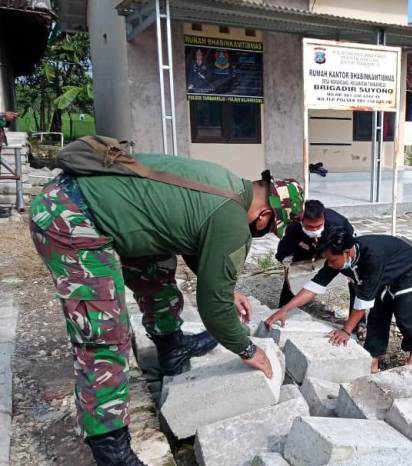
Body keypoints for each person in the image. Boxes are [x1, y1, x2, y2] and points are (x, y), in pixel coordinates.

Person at [29, 138, 303, 465]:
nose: (263, 231)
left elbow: (189, 235)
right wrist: (249, 350)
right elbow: (213, 310)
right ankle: (110, 449)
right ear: (265, 215)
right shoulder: (233, 223)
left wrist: (225, 288)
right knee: (104, 335)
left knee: (156, 265)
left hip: (81, 197)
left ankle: (171, 347)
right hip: (71, 217)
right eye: (270, 228)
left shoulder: (225, 182)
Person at [266, 227, 412, 374]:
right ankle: (374, 358)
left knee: (406, 315)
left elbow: (362, 302)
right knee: (378, 315)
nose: (329, 264)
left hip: (404, 270)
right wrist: (284, 310)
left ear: (348, 253)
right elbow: (313, 287)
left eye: (332, 261)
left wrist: (346, 330)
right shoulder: (336, 259)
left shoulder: (372, 256)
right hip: (380, 276)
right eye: (327, 260)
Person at [275, 199, 354, 307]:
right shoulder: (294, 228)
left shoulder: (337, 224)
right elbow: (284, 252)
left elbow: (349, 243)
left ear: (323, 218)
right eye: (310, 227)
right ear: (302, 220)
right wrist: (287, 268)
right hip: (305, 250)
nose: (315, 230)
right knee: (293, 277)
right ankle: (284, 308)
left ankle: (359, 320)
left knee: (353, 275)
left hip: (332, 249)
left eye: (318, 226)